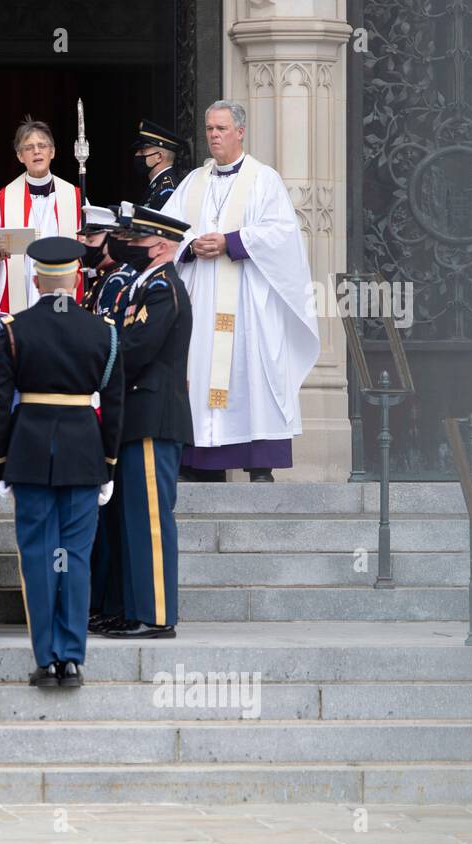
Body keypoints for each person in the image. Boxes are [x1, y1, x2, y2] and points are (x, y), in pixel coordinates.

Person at [161, 100, 320, 482]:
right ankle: (202, 462)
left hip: (248, 301)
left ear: (240, 132)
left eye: (221, 129)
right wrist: (191, 244)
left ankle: (259, 463)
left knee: (250, 374)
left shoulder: (264, 180)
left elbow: (283, 235)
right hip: (202, 298)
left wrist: (232, 241)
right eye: (210, 129)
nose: (214, 136)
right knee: (198, 373)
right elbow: (165, 229)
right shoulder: (193, 182)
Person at [0, 237, 124, 687]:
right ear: (76, 278)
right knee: (75, 558)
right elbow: (115, 404)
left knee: (39, 557)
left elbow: (0, 400)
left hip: (29, 454)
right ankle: (72, 657)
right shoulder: (102, 331)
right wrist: (108, 462)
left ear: (36, 280)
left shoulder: (14, 328)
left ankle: (46, 658)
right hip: (84, 454)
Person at [102, 207, 195, 640]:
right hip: (135, 418)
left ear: (158, 245)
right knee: (129, 520)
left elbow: (136, 348)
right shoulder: (142, 286)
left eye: (136, 240)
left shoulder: (162, 289)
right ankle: (130, 609)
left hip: (154, 418)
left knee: (151, 520)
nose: (128, 246)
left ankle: (156, 613)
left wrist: (88, 357)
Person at [78, 204, 137, 635]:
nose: (85, 245)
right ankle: (101, 601)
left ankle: (111, 601)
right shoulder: (99, 284)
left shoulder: (118, 284)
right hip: (94, 408)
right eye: (83, 238)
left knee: (111, 520)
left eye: (92, 238)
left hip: (106, 407)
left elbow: (111, 347)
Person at [0, 117, 82, 313]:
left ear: (52, 152)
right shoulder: (5, 197)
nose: (37, 151)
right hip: (21, 283)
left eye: (42, 145)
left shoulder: (74, 195)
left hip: (61, 282)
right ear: (20, 156)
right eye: (29, 147)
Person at [134, 120, 184, 211]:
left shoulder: (167, 191)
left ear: (159, 157)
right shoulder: (157, 184)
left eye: (142, 151)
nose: (136, 155)